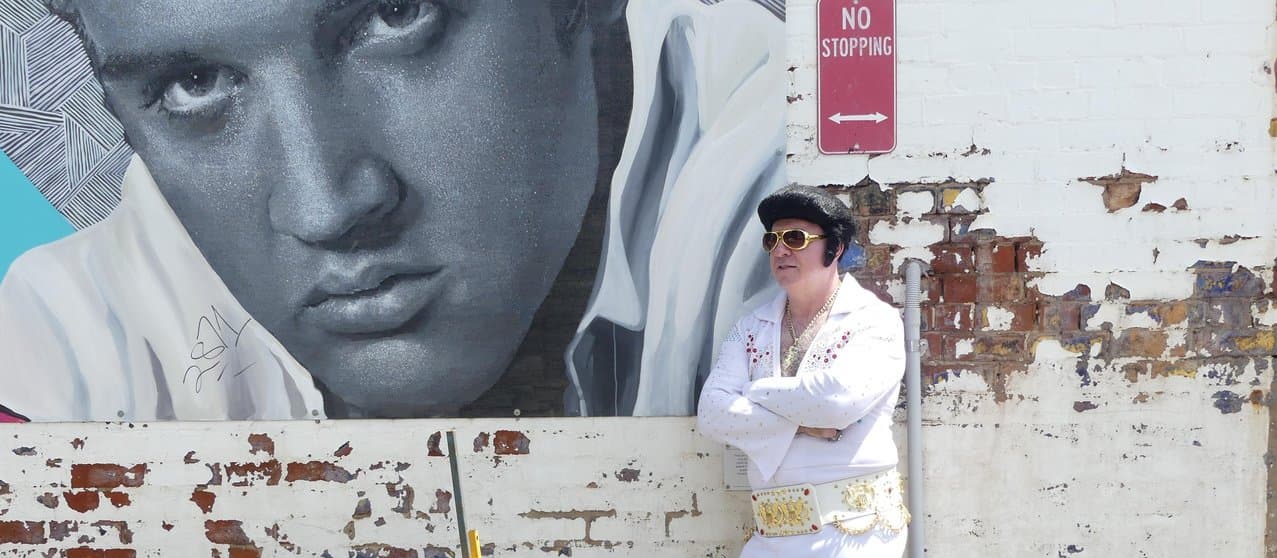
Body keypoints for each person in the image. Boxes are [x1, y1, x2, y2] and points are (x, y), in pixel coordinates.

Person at [0, 0, 786, 421]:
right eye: (194, 83)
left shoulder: (794, 196)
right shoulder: (74, 338)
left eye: (396, 16)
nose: (326, 207)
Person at [697, 183, 909, 558]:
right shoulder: (754, 325)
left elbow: (837, 401)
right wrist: (800, 420)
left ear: (834, 249)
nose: (780, 250)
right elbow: (713, 412)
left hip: (851, 526)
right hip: (771, 529)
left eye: (795, 237)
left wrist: (759, 393)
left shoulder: (873, 320)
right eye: (772, 239)